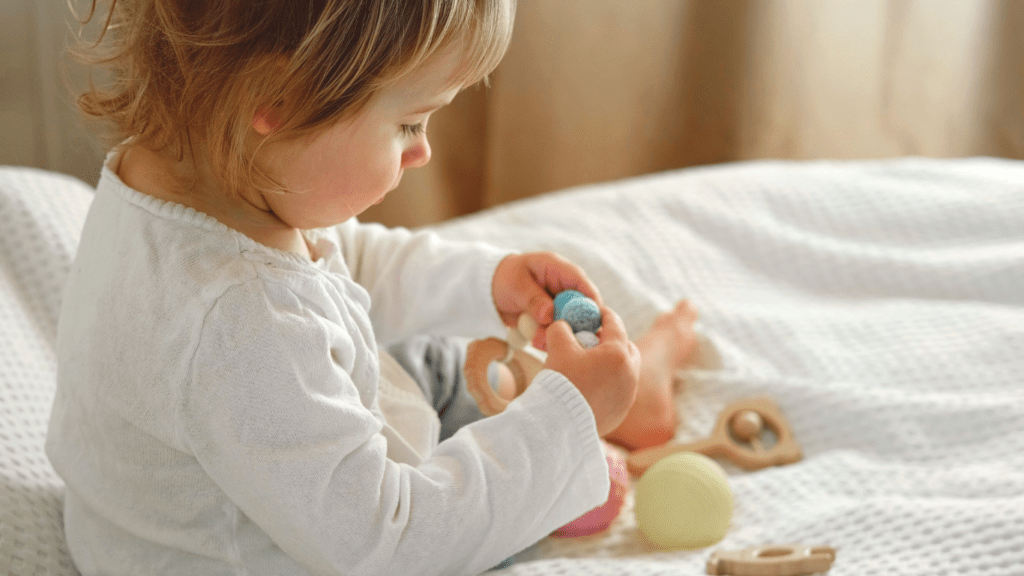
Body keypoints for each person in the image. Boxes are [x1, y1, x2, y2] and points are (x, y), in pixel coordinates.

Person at [45, 1, 696, 574]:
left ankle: (607, 400)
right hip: (315, 552)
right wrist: (564, 424)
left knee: (434, 364)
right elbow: (391, 547)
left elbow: (340, 262)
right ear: (281, 97)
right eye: (411, 123)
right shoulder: (238, 320)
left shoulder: (183, 182)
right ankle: (600, 420)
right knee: (517, 492)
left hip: (288, 500)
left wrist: (489, 282)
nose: (423, 154)